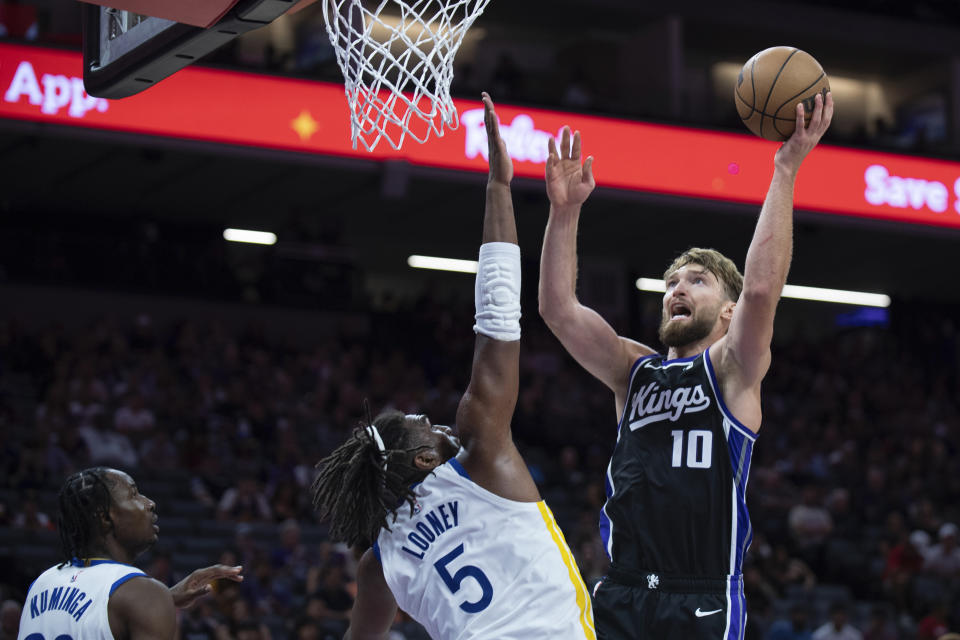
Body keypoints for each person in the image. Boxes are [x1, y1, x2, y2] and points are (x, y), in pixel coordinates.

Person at [538, 92, 833, 640]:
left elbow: (763, 288)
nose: (677, 288)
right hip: (621, 590)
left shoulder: (732, 369)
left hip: (700, 596)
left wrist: (785, 167)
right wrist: (564, 213)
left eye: (696, 280)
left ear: (728, 310)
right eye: (671, 282)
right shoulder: (634, 371)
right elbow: (558, 310)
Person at [311, 93, 596, 640]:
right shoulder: (480, 457)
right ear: (422, 460)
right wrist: (498, 187)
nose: (445, 427)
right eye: (432, 428)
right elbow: (497, 315)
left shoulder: (378, 565)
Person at [16, 467, 243, 640]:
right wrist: (158, 599)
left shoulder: (41, 584)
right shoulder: (143, 593)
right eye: (134, 494)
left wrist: (167, 598)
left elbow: (92, 615)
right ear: (105, 517)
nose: (149, 503)